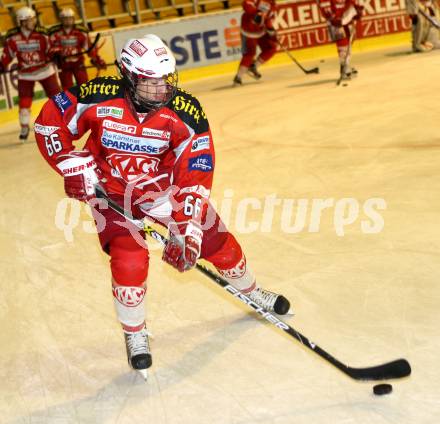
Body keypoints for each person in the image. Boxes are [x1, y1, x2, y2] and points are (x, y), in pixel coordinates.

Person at [34, 34, 291, 380]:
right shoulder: (95, 95)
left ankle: (252, 291)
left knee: (216, 242)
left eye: (165, 79)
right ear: (128, 76)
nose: (161, 89)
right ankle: (135, 333)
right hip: (110, 193)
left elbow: (195, 171)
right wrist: (69, 164)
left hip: (164, 192)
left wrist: (187, 228)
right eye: (150, 81)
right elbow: (49, 122)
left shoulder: (186, 111)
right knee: (129, 259)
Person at [0, 6, 61, 141]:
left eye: (34, 19)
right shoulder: (12, 37)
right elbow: (7, 55)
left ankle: (64, 120)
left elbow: (51, 48)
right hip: (25, 74)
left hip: (45, 71)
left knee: (57, 98)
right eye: (30, 20)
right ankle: (24, 127)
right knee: (24, 102)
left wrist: (56, 54)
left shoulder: (42, 33)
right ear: (21, 22)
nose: (34, 22)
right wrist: (2, 65)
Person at [49, 7, 107, 90]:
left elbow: (89, 48)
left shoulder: (81, 31)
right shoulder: (54, 33)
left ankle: (86, 102)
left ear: (73, 19)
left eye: (70, 18)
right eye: (65, 19)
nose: (68, 20)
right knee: (67, 88)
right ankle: (70, 103)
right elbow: (50, 49)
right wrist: (57, 52)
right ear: (61, 20)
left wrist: (97, 60)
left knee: (84, 85)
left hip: (78, 63)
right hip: (63, 64)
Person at [233, 0, 278, 86]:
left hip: (260, 31)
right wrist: (256, 12)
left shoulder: (273, 5)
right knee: (249, 54)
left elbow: (269, 19)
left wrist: (271, 31)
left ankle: (253, 66)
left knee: (271, 47)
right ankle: (238, 78)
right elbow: (246, 3)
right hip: (248, 31)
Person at [317, 0, 364, 81]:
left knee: (350, 38)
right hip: (334, 16)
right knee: (342, 41)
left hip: (345, 13)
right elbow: (324, 4)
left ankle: (345, 65)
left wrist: (356, 9)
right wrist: (331, 16)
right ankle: (344, 68)